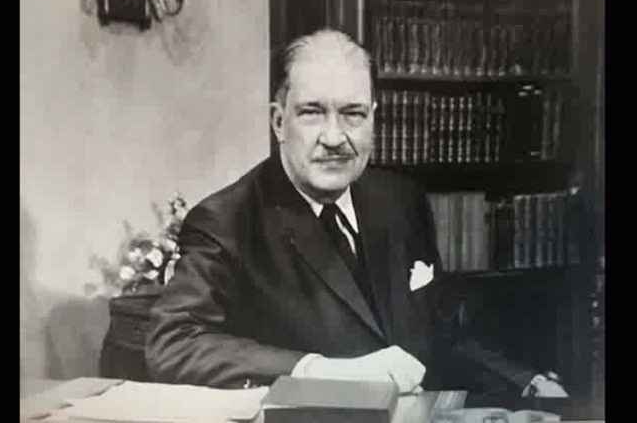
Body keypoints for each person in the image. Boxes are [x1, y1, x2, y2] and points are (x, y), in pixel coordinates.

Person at [145, 28, 567, 397]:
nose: (334, 137)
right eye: (312, 113)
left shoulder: (400, 200)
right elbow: (173, 344)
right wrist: (317, 370)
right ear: (278, 122)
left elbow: (441, 330)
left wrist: (525, 382)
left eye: (353, 114)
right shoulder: (227, 221)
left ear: (373, 120)